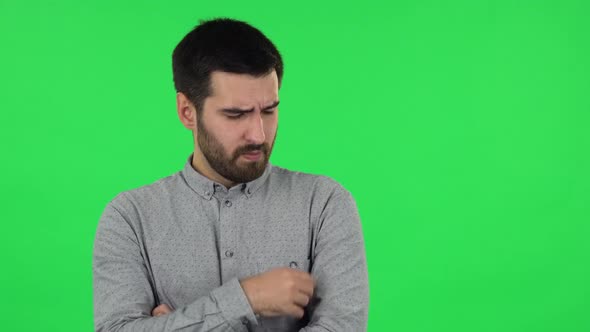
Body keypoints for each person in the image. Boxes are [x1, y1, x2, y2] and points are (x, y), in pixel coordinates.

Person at [92, 17, 369, 332]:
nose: (258, 134)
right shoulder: (129, 218)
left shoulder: (324, 204)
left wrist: (176, 324)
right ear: (187, 111)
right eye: (235, 114)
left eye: (269, 110)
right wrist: (247, 298)